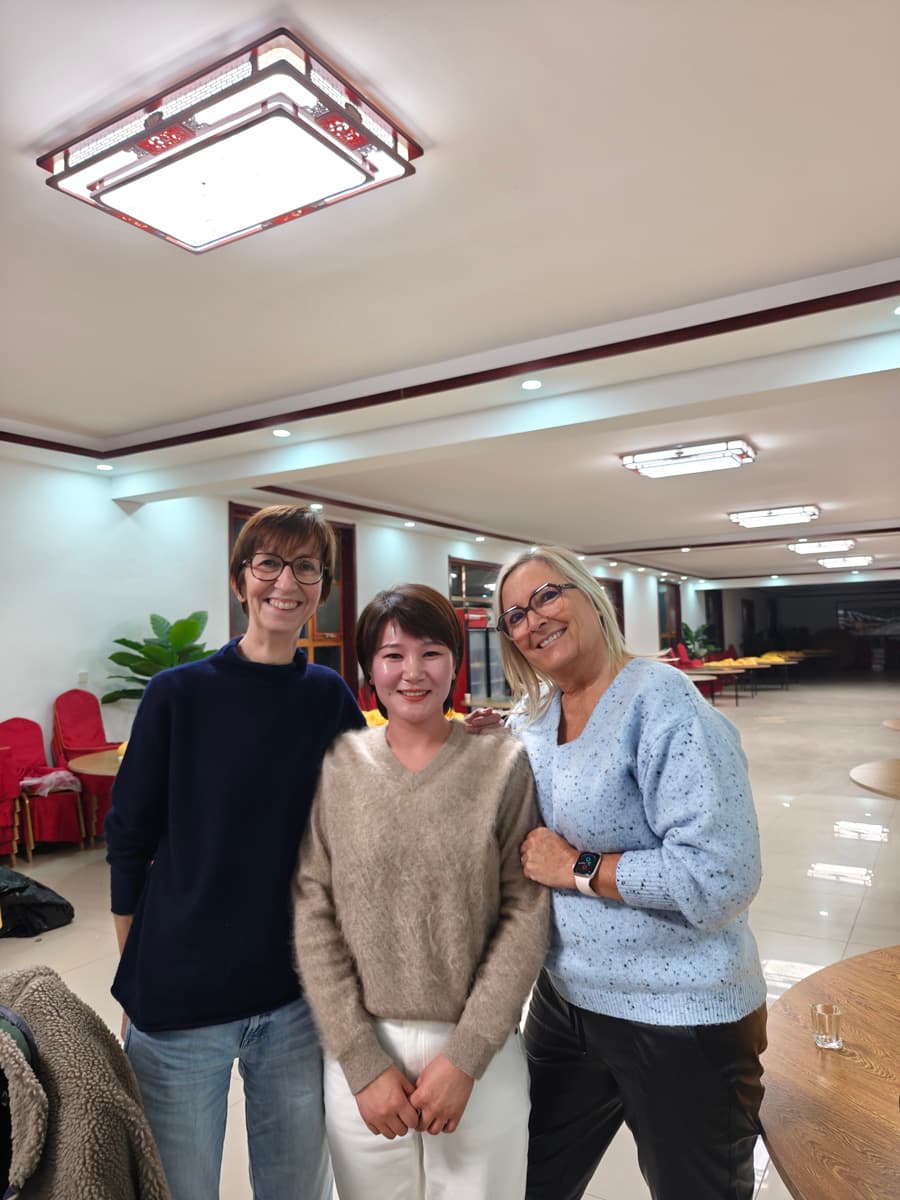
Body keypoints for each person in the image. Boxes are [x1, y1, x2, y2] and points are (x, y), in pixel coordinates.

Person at [490, 546, 767, 1200]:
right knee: (519, 1181)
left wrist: (577, 868)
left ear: (593, 599)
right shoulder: (535, 720)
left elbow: (720, 877)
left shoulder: (661, 703)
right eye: (515, 615)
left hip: (680, 1017)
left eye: (547, 596)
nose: (533, 620)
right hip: (565, 1002)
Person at [105, 505, 365, 1200]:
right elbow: (128, 838)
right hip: (180, 1002)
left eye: (305, 567)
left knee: (295, 1189)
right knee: (181, 1188)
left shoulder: (328, 697)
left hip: (295, 1001)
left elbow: (376, 809)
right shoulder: (177, 694)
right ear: (239, 579)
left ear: (323, 586)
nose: (286, 582)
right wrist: (135, 967)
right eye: (269, 564)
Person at [293, 583, 549, 1200]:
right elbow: (314, 913)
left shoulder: (502, 763)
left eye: (431, 652)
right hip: (362, 1055)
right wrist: (361, 1062)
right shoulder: (340, 765)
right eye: (392, 655)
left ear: (455, 664)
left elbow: (525, 912)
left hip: (477, 1057)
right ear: (368, 671)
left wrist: (465, 1057)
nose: (413, 672)